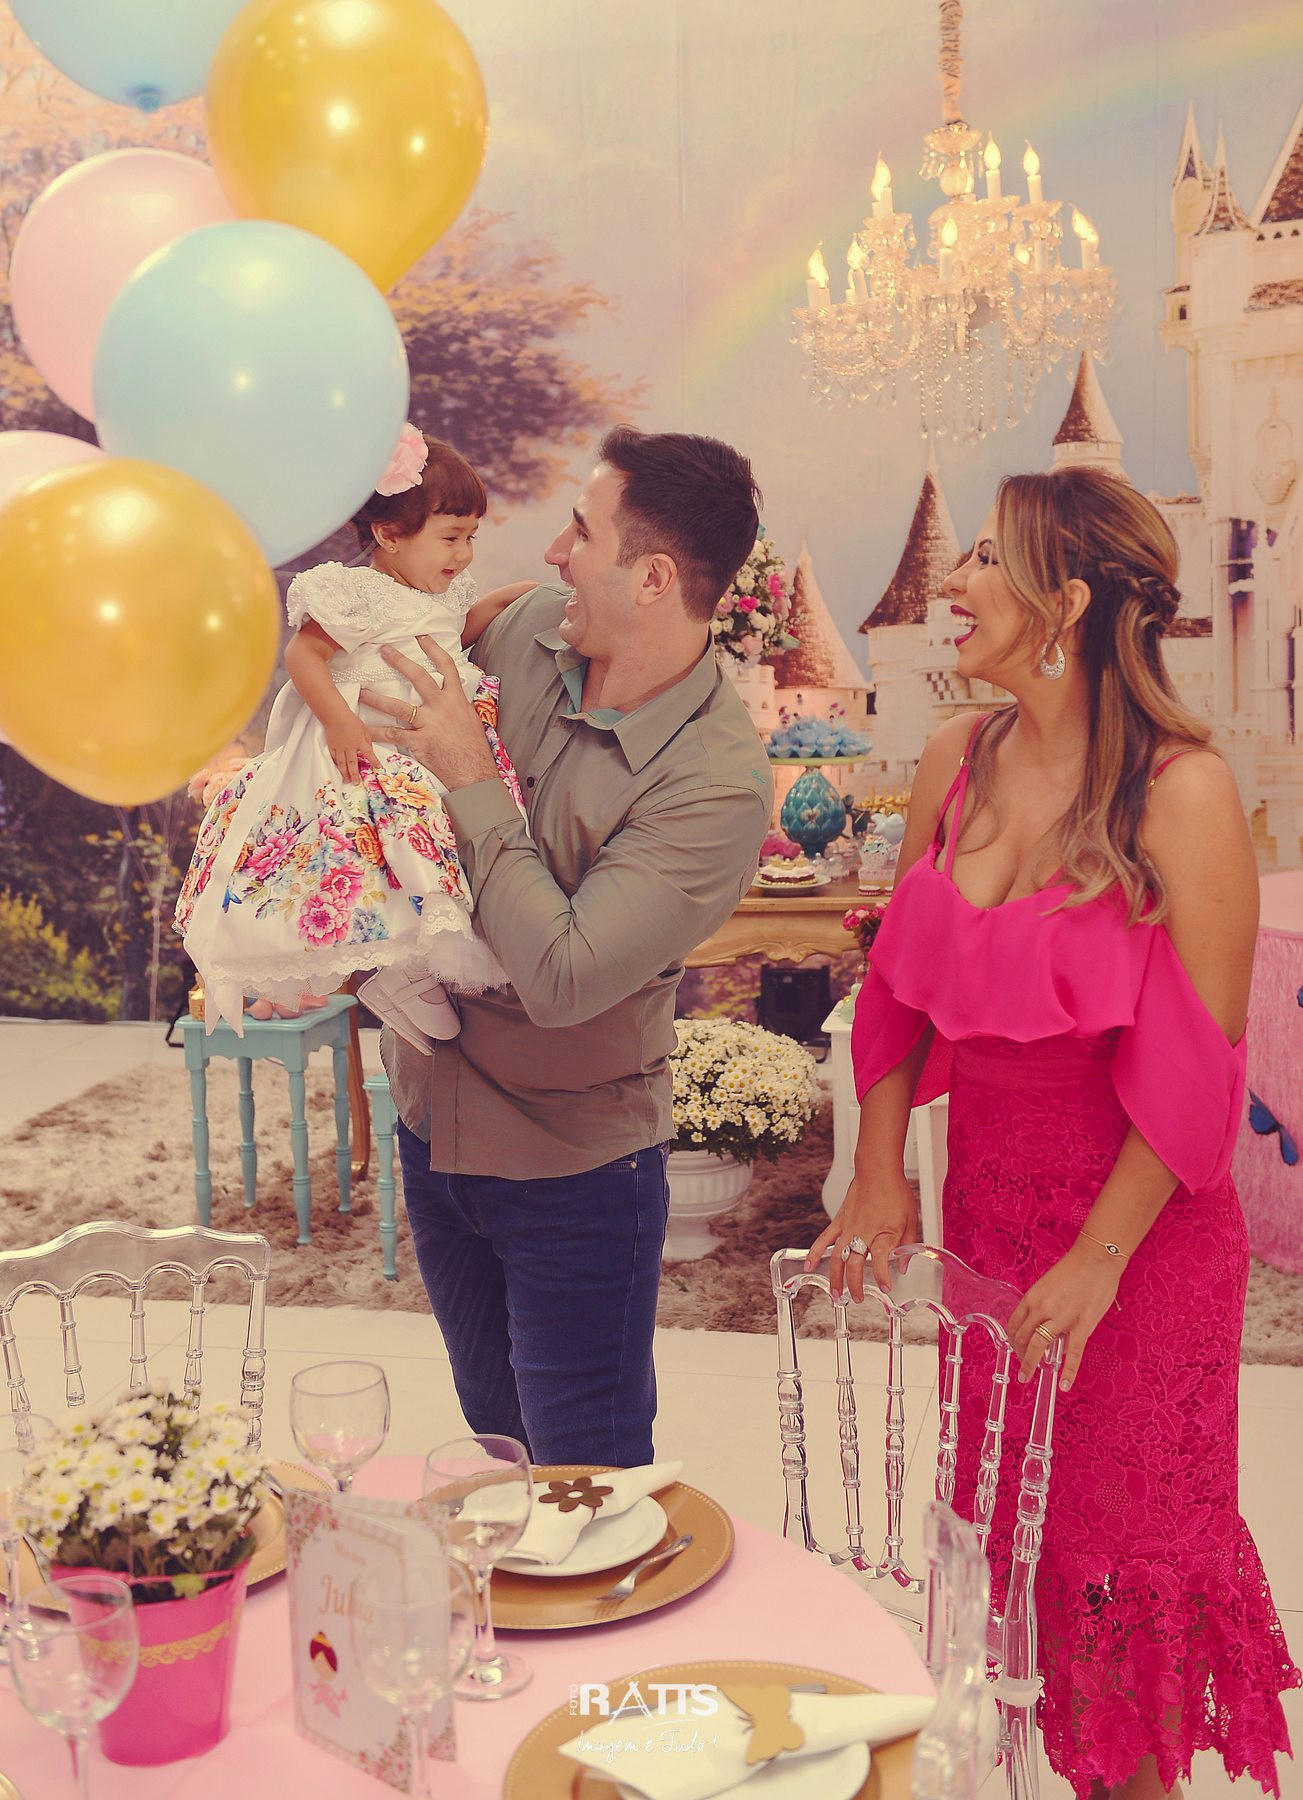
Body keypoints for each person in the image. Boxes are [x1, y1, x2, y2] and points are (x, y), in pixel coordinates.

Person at [809, 466, 1299, 1799]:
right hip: (988, 1220)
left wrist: (1096, 1259)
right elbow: (897, 989)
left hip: (1136, 1243)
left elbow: (1198, 1073)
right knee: (1013, 1557)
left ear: (1066, 602)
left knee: (1117, 1571)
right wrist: (876, 1171)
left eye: (985, 558)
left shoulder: (1181, 792)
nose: (952, 584)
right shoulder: (953, 762)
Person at [359, 425, 774, 1468]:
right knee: (498, 1445)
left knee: (585, 1478)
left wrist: (469, 773)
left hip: (571, 1174)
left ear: (653, 577)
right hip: (430, 1130)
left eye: (580, 532)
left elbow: (561, 976)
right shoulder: (525, 629)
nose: (553, 554)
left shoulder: (716, 783)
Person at [176, 427, 532, 1041]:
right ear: (389, 535)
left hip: (437, 739)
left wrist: (501, 603)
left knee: (447, 848)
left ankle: (408, 974)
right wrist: (341, 722)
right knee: (388, 841)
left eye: (471, 537)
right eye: (451, 537)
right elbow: (304, 655)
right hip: (377, 740)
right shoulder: (358, 592)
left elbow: (448, 632)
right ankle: (398, 974)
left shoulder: (443, 591)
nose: (465, 554)